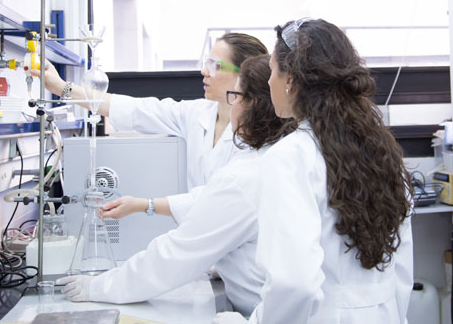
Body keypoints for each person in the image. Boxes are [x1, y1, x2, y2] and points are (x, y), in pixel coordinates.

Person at [57, 55, 294, 315]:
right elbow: (213, 201)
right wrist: (61, 88)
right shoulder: (276, 155)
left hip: (270, 309)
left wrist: (99, 287)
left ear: (255, 104)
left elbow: (177, 254)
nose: (204, 71)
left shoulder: (248, 173)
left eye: (235, 96)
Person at [217, 18, 414, 324]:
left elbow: (293, 284)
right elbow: (401, 268)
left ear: (291, 80)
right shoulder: (382, 149)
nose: (269, 82)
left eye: (272, 71)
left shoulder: (291, 156)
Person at [33, 33, 268, 218]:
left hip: (243, 261)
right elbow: (133, 110)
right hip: (208, 255)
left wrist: (145, 205)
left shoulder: (263, 135)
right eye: (207, 63)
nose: (204, 71)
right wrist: (61, 87)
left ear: (244, 74)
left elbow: (219, 201)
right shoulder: (196, 114)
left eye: (215, 65)